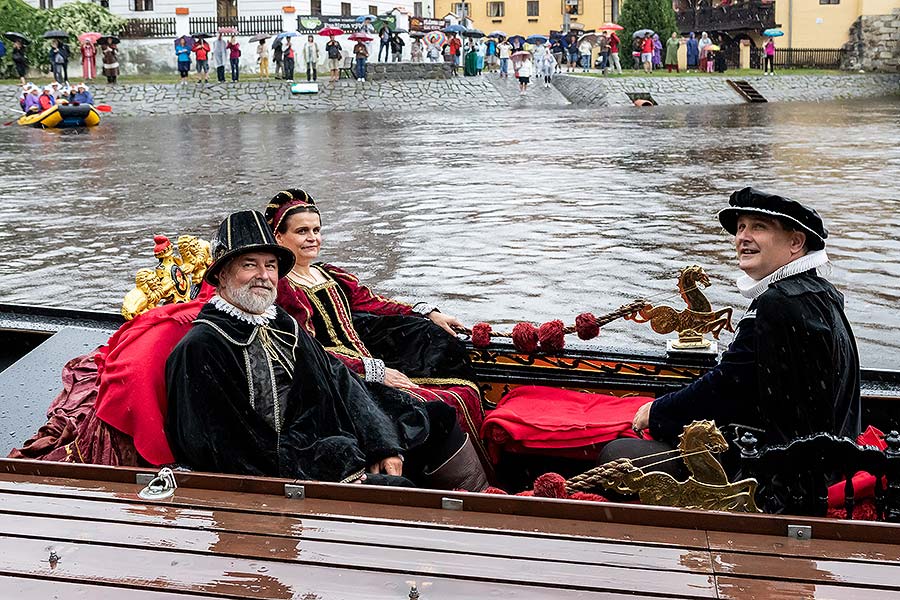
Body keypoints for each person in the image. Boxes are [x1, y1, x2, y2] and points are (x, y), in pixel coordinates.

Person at [166, 210, 488, 491]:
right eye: (250, 264)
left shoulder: (280, 322)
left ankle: (484, 504)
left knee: (436, 418)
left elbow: (337, 377)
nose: (264, 276)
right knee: (397, 488)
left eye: (271, 265)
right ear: (222, 274)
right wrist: (337, 465)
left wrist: (380, 441)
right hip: (288, 472)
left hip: (325, 437)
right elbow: (224, 451)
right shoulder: (201, 348)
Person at [601, 188, 861, 510]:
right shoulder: (818, 293)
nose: (743, 237)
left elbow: (730, 387)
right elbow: (749, 382)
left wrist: (657, 412)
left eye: (758, 227)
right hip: (823, 460)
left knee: (617, 458)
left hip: (781, 478)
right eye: (740, 228)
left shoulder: (778, 304)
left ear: (796, 243)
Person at [265, 190, 488, 458]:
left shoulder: (329, 273)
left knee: (459, 390)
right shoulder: (282, 287)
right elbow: (308, 349)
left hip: (370, 361)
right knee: (429, 408)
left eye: (316, 230)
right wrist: (374, 372)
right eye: (302, 231)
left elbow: (376, 303)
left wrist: (429, 313)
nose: (313, 238)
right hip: (336, 379)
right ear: (279, 237)